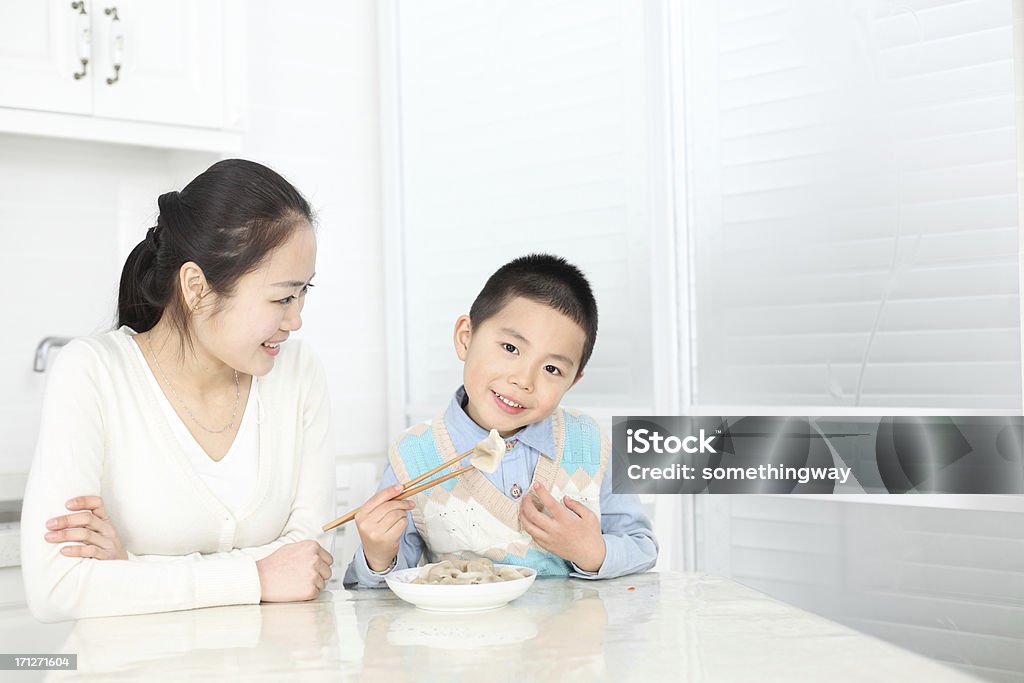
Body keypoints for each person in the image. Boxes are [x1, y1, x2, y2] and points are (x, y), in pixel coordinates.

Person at [21, 159, 335, 622]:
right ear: (196, 287)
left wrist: (131, 570)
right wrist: (257, 577)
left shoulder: (298, 374)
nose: (296, 320)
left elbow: (307, 560)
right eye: (282, 298)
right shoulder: (92, 373)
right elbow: (57, 587)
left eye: (304, 292)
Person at [344, 254, 657, 587]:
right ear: (466, 337)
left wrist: (591, 551)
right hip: (464, 635)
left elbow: (642, 546)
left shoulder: (592, 442)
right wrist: (378, 556)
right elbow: (378, 591)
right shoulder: (414, 456)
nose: (524, 380)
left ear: (573, 382)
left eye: (552, 369)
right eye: (510, 347)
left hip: (572, 636)